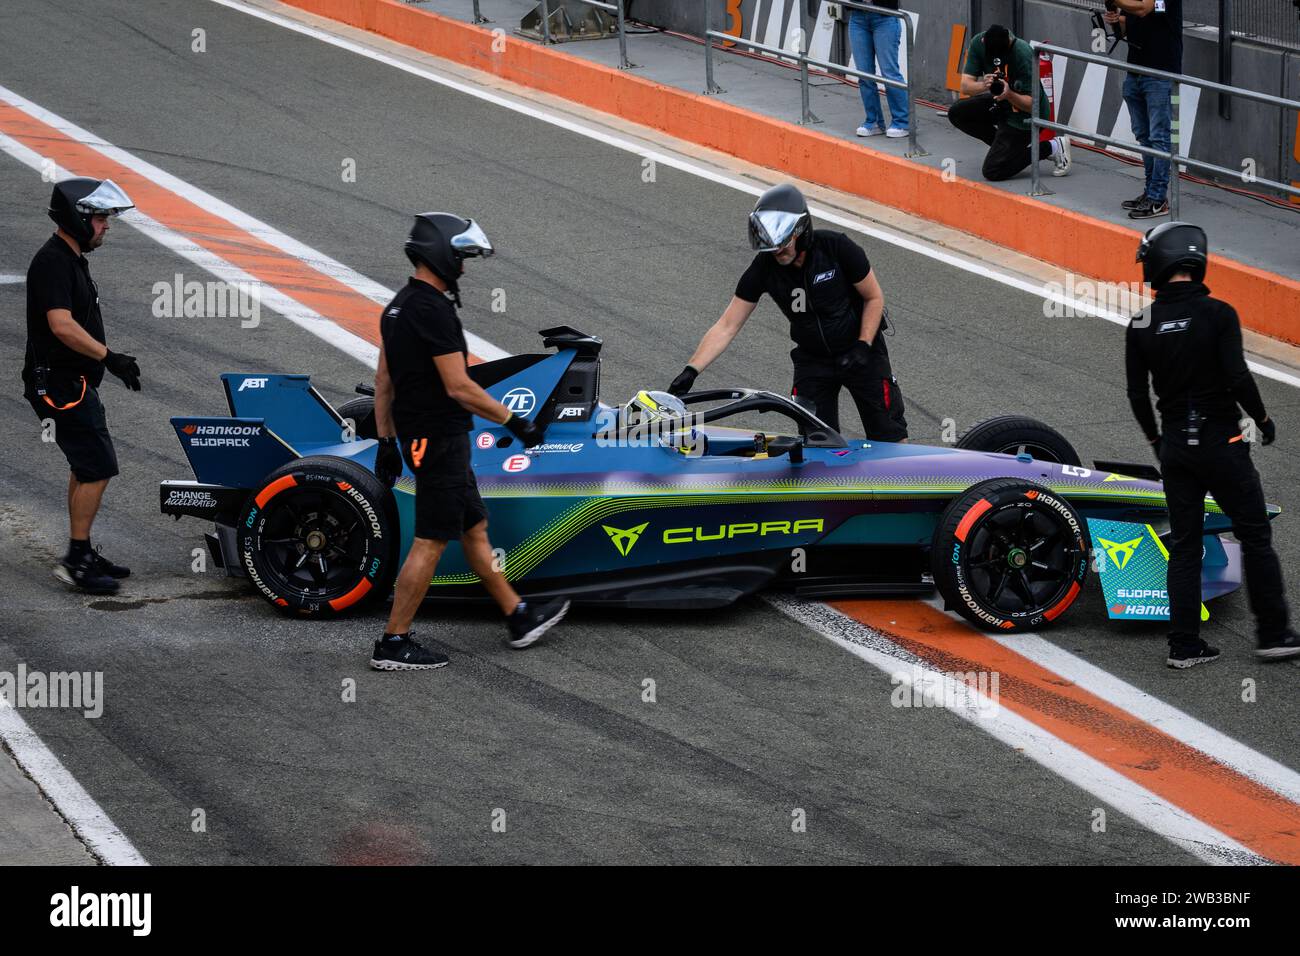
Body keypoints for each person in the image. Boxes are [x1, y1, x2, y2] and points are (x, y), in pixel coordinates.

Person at [368, 212, 569, 671]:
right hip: (439, 440)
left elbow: (384, 379)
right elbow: (458, 386)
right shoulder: (433, 310)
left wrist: (385, 440)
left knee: (473, 527)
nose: (464, 266)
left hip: (427, 439)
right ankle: (393, 642)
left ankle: (517, 615)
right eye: (461, 256)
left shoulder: (397, 306)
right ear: (441, 253)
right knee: (431, 541)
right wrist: (517, 422)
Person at [1125, 221, 1300, 668]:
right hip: (1222, 442)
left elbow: (1136, 393)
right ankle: (1274, 635)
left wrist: (1156, 441)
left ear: (1159, 264)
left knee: (1184, 543)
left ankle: (1184, 645)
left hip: (1176, 448)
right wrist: (1263, 418)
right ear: (1195, 260)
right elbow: (1237, 376)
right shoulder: (1219, 313)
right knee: (1255, 535)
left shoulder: (1141, 322)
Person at [667, 184, 907, 442]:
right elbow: (727, 325)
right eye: (770, 246)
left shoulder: (837, 248)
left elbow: (874, 297)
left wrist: (863, 344)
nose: (777, 252)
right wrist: (691, 370)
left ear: (801, 232)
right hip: (813, 361)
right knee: (816, 441)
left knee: (889, 435)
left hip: (861, 353)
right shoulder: (764, 267)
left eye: (783, 244)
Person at [23, 178, 140, 595]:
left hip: (71, 382)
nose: (107, 226)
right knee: (98, 467)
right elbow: (61, 325)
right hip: (58, 384)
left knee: (85, 465)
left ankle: (83, 550)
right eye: (102, 218)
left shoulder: (72, 258)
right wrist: (111, 357)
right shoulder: (54, 261)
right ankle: (76, 560)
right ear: (79, 218)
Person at [947, 23, 1072, 182]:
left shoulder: (1022, 53)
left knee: (993, 170)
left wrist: (1009, 94)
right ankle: (1006, 150)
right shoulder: (978, 43)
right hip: (999, 103)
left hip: (1024, 116)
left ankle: (1052, 147)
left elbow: (1032, 105)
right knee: (957, 113)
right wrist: (983, 85)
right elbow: (965, 87)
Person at [1104, 0, 1183, 220]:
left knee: (1159, 137)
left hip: (1160, 73)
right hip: (1136, 70)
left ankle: (1158, 198)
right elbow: (1132, 22)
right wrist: (1116, 21)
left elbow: (1144, 8)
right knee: (1143, 135)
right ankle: (1150, 191)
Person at [848, 1, 908, 139]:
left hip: (884, 16)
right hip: (857, 16)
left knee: (889, 73)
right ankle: (873, 121)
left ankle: (902, 122)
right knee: (864, 74)